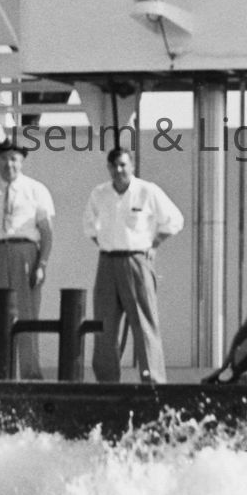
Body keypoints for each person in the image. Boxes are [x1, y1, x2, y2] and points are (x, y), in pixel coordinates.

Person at [82, 144, 183, 384]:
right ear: (108, 168)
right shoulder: (99, 193)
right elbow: (89, 226)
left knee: (144, 322)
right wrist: (107, 244)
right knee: (104, 325)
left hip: (136, 261)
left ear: (132, 165)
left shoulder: (148, 191)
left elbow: (175, 220)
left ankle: (153, 381)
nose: (118, 170)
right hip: (107, 262)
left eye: (123, 165)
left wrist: (154, 244)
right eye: (114, 166)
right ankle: (107, 383)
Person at [0, 139, 56, 378]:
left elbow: (47, 232)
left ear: (22, 161)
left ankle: (30, 376)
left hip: (25, 254)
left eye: (14, 159)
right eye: (4, 159)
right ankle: (2, 374)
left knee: (26, 317)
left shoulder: (36, 190)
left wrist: (42, 264)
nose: (9, 164)